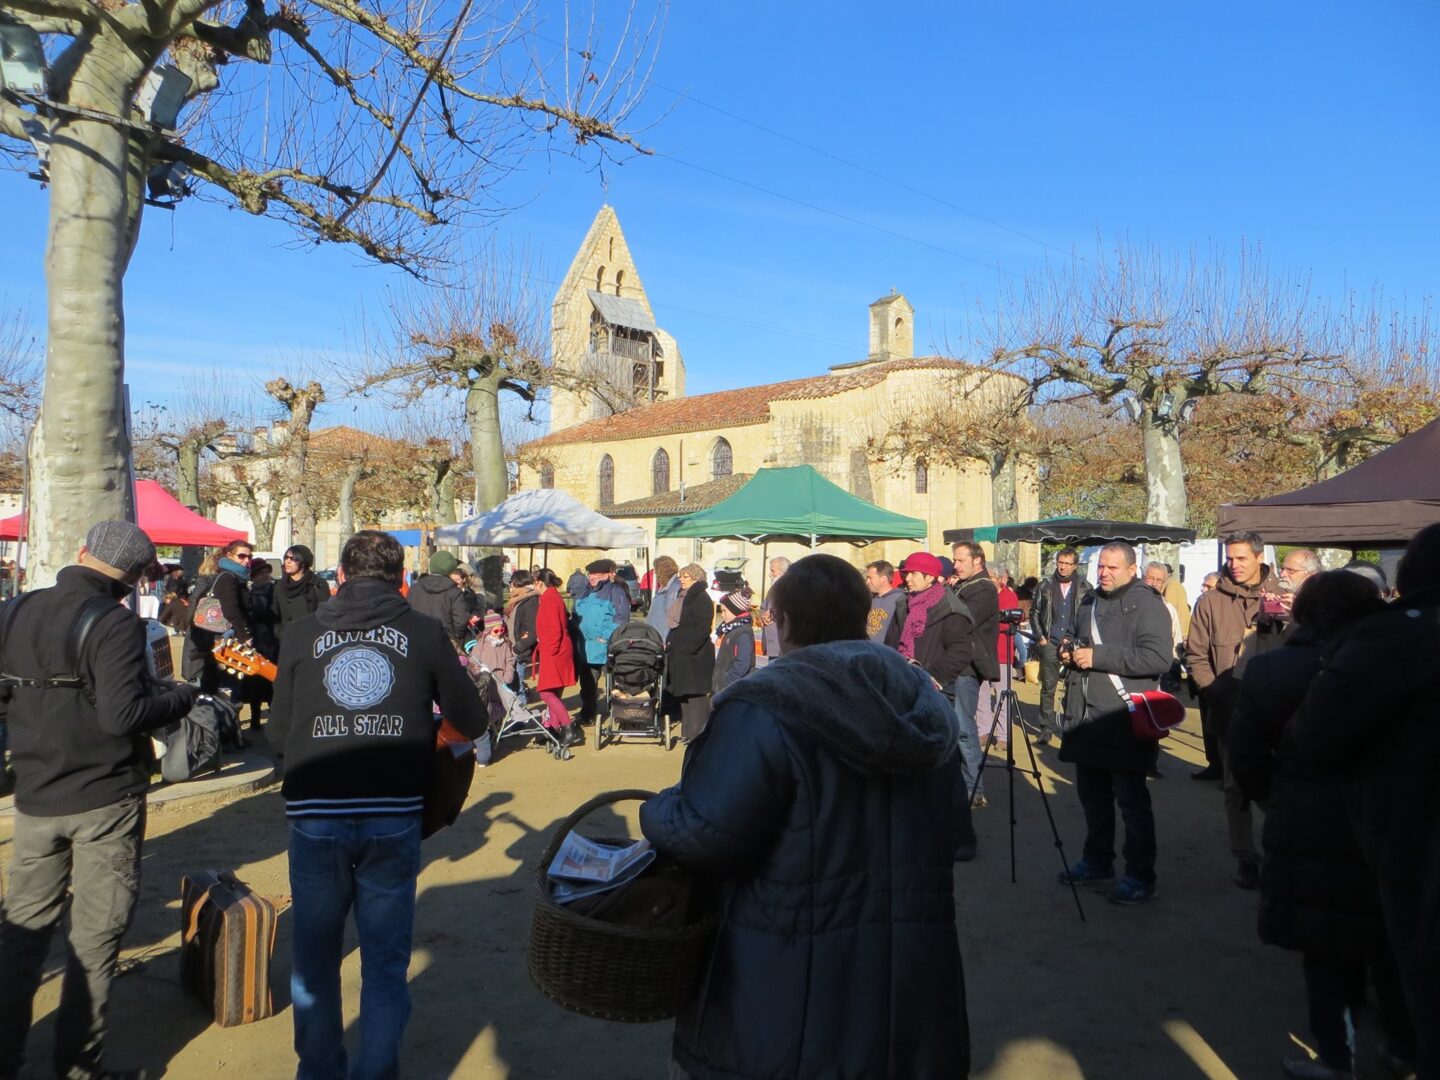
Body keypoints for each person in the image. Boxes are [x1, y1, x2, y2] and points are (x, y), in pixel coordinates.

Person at [640, 554, 969, 1080]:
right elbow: (956, 833)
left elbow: (705, 835)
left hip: (787, 986)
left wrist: (655, 811)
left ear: (785, 622)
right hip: (907, 988)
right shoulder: (920, 702)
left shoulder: (764, 708)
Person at [268, 530, 486, 1080]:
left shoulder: (299, 634)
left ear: (340, 576)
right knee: (384, 962)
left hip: (317, 810)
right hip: (394, 808)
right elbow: (476, 720)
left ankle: (318, 1070)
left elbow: (276, 734)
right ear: (400, 579)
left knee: (315, 959)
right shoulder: (424, 631)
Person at [0, 521, 196, 1080]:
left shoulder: (15, 611)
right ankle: (77, 1067)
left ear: (81, 552)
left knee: (21, 935)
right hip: (103, 799)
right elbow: (123, 716)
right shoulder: (114, 623)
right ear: (134, 577)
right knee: (94, 936)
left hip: (35, 798)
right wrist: (178, 699)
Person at [1227, 571, 1415, 1080]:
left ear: (1301, 614)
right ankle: (1401, 1047)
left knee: (1326, 949)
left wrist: (1278, 797)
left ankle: (1337, 1057)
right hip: (1387, 824)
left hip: (1311, 824)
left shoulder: (1271, 669)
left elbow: (1243, 757)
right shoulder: (1406, 659)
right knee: (1391, 939)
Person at [1291, 524, 1440, 1080]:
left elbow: (1315, 735)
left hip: (1411, 833)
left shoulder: (1395, 638)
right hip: (1406, 829)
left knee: (1420, 967)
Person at [1056, 542, 1173, 905]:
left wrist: (1098, 656)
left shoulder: (1149, 604)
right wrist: (1069, 649)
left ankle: (1140, 875)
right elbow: (1081, 641)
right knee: (1093, 800)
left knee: (1132, 804)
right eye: (1100, 567)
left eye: (1111, 568)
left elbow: (1158, 658)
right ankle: (1097, 862)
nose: (1103, 573)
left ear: (1131, 569)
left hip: (1124, 719)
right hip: (1086, 717)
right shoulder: (1089, 601)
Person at [1185, 531, 1282, 888]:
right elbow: (1195, 654)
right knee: (1234, 789)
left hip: (1279, 714)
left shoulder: (1285, 594)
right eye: (1230, 558)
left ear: (1259, 557)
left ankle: (1281, 854)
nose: (1234, 565)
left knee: (1280, 789)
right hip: (1231, 712)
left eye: (1241, 558)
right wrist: (1214, 691)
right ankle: (1245, 857)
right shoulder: (1211, 601)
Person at [951, 542, 1001, 782]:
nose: (955, 565)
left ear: (977, 561)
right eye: (955, 560)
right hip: (953, 663)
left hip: (968, 666)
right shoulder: (962, 585)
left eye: (961, 560)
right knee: (954, 725)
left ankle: (974, 788)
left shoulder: (984, 588)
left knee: (963, 727)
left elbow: (962, 619)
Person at [1031, 548, 1091, 745]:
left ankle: (1069, 727)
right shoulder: (1045, 585)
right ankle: (1046, 728)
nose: (1063, 567)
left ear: (1075, 565)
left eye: (1067, 563)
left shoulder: (1085, 587)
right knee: (1048, 687)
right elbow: (1034, 612)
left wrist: (1078, 641)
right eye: (1060, 562)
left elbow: (1088, 616)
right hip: (1050, 642)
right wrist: (1041, 637)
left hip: (1074, 644)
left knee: (1072, 689)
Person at [530, 569, 581, 747]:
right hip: (557, 650)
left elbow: (554, 631)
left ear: (540, 582)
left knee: (545, 692)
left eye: (533, 582)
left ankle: (568, 726)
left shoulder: (550, 599)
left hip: (554, 651)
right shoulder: (551, 597)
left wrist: (549, 653)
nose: (532, 586)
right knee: (554, 692)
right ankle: (552, 727)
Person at [666, 563, 715, 741]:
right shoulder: (684, 596)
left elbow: (702, 629)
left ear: (695, 578)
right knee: (685, 696)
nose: (681, 579)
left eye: (685, 576)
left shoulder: (701, 598)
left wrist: (686, 649)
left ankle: (697, 735)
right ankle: (687, 734)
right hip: (682, 655)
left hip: (696, 657)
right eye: (680, 576)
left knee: (696, 698)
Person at [407, 550, 471, 650]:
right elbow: (460, 620)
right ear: (451, 569)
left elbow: (407, 615)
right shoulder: (454, 592)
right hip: (445, 640)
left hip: (417, 639)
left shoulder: (415, 589)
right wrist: (454, 637)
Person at [271, 544, 330, 643]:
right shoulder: (279, 585)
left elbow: (325, 614)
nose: (288, 561)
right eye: (286, 557)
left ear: (303, 563)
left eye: (293, 558)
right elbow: (273, 615)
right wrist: (280, 634)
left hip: (310, 640)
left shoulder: (318, 584)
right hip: (287, 640)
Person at [711, 589, 755, 692]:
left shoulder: (743, 633)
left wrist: (726, 681)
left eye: (724, 611)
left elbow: (742, 664)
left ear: (736, 611)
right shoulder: (731, 629)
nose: (722, 615)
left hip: (733, 688)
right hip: (725, 686)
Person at [503, 569, 539, 683]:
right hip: (513, 647)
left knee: (517, 687)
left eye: (512, 584)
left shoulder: (530, 602)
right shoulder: (517, 600)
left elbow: (533, 631)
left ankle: (522, 700)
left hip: (519, 651)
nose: (511, 587)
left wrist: (516, 649)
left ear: (519, 584)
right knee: (515, 685)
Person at [864, 559, 907, 644]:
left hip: (888, 652)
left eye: (870, 578)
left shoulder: (900, 600)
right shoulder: (869, 599)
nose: (867, 582)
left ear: (883, 579)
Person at [757, 556, 790, 663]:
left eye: (773, 571)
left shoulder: (792, 589)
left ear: (783, 573)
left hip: (783, 645)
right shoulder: (773, 588)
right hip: (772, 644)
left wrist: (772, 614)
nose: (770, 575)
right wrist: (763, 616)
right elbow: (763, 607)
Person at [645, 556, 681, 643]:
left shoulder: (674, 587)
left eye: (656, 570)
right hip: (655, 636)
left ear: (661, 570)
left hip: (663, 639)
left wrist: (666, 640)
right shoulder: (664, 587)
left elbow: (672, 617)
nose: (655, 573)